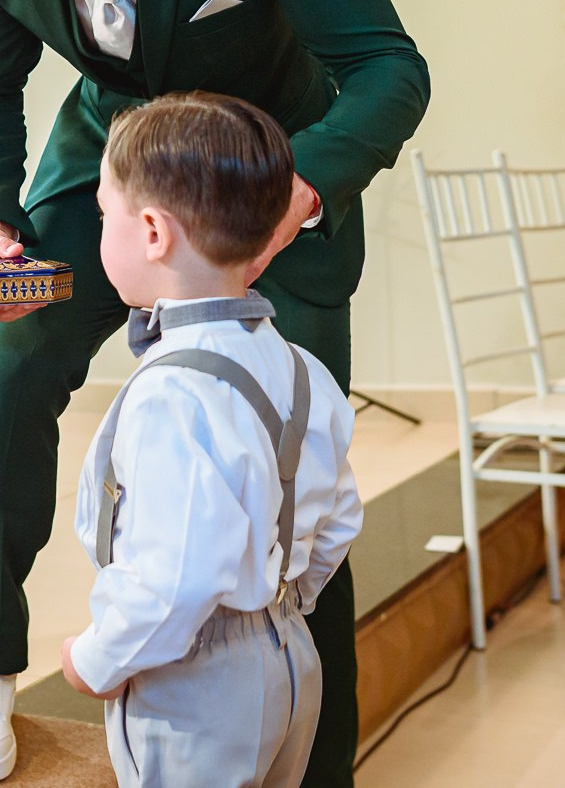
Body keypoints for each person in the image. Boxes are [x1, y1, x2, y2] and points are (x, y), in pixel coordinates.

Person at [0, 0, 428, 785]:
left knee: (293, 463)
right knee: (10, 372)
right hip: (108, 169)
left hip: (265, 174)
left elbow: (386, 66)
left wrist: (295, 187)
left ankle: (317, 755)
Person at [60, 93, 361, 788]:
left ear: (154, 233)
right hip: (291, 661)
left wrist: (97, 658)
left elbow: (174, 579)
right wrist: (277, 606)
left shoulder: (169, 397)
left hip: (194, 684)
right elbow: (340, 515)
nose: (99, 224)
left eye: (105, 212)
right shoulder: (301, 367)